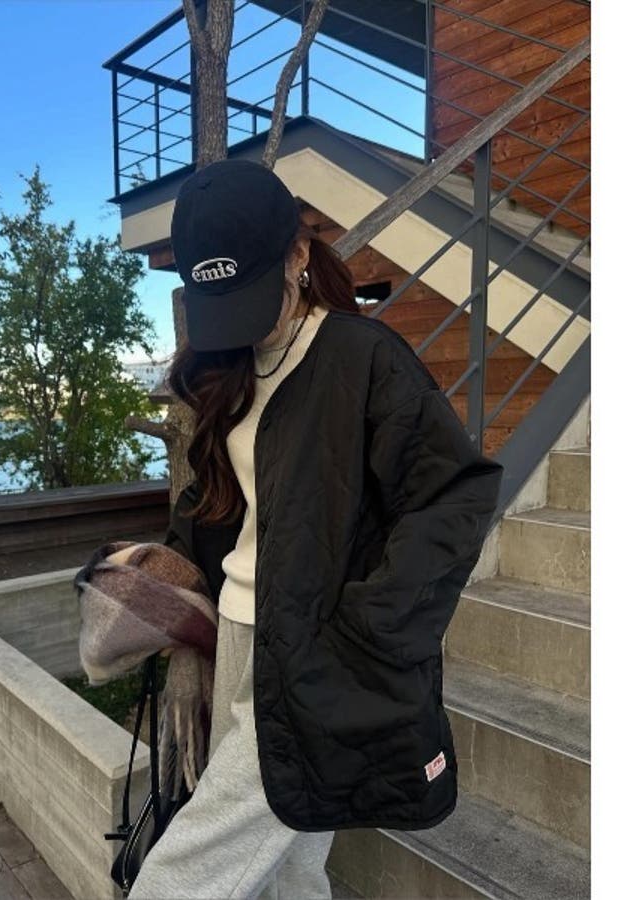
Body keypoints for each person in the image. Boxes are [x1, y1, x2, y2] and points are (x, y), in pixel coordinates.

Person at [126, 158, 504, 900]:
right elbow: (215, 505)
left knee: (180, 878)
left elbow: (453, 497)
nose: (236, 323)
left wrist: (370, 629)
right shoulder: (232, 369)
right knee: (289, 870)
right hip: (238, 635)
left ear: (298, 255)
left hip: (319, 651)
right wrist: (169, 596)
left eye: (247, 293)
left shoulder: (364, 360)